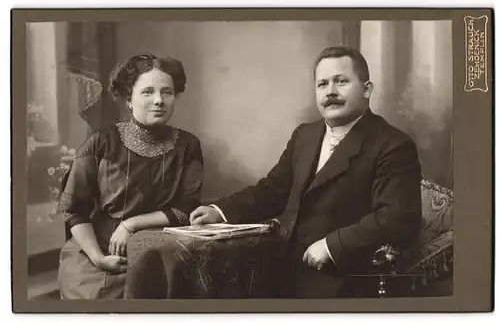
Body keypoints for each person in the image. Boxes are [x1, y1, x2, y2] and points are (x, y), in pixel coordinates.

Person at [190, 46, 422, 298]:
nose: (330, 92)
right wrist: (220, 211)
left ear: (367, 89)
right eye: (322, 84)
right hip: (282, 266)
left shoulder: (393, 144)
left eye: (341, 81)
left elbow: (397, 218)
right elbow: (273, 190)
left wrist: (332, 246)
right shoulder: (305, 135)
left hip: (342, 276)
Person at [57, 53, 204, 299]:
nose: (159, 100)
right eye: (147, 92)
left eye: (167, 92)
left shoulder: (188, 145)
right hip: (96, 253)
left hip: (158, 254)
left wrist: (131, 223)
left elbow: (185, 209)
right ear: (129, 98)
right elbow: (74, 211)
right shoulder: (100, 143)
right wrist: (98, 258)